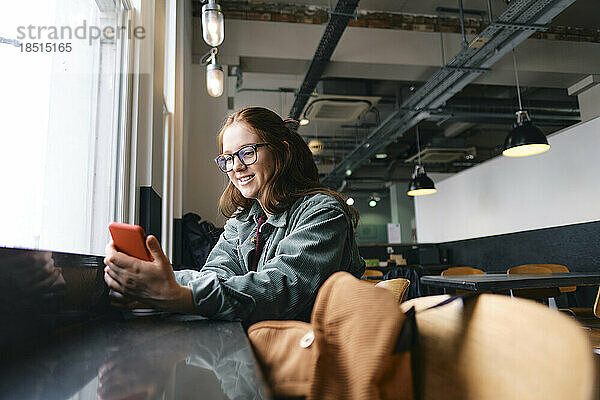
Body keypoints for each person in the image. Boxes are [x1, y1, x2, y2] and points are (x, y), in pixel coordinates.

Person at [103, 107, 365, 324]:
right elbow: (214, 275)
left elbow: (278, 291)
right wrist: (152, 287)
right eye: (228, 158)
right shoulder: (242, 221)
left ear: (282, 151)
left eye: (247, 152)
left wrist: (174, 294)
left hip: (311, 364)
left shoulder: (323, 213)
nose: (236, 167)